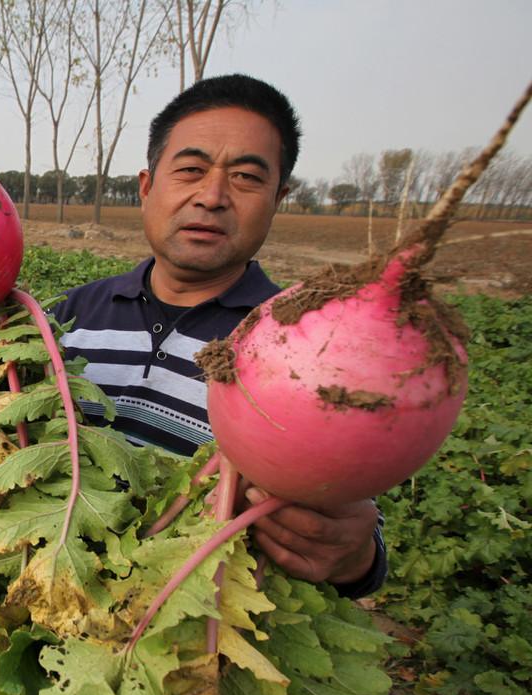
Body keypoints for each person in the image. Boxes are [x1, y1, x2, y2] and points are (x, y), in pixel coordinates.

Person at [53, 74, 386, 599]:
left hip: (193, 630)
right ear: (146, 186)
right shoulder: (64, 318)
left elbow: (348, 534)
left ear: (279, 198)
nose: (211, 197)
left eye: (247, 178)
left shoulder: (305, 349)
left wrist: (353, 554)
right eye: (190, 170)